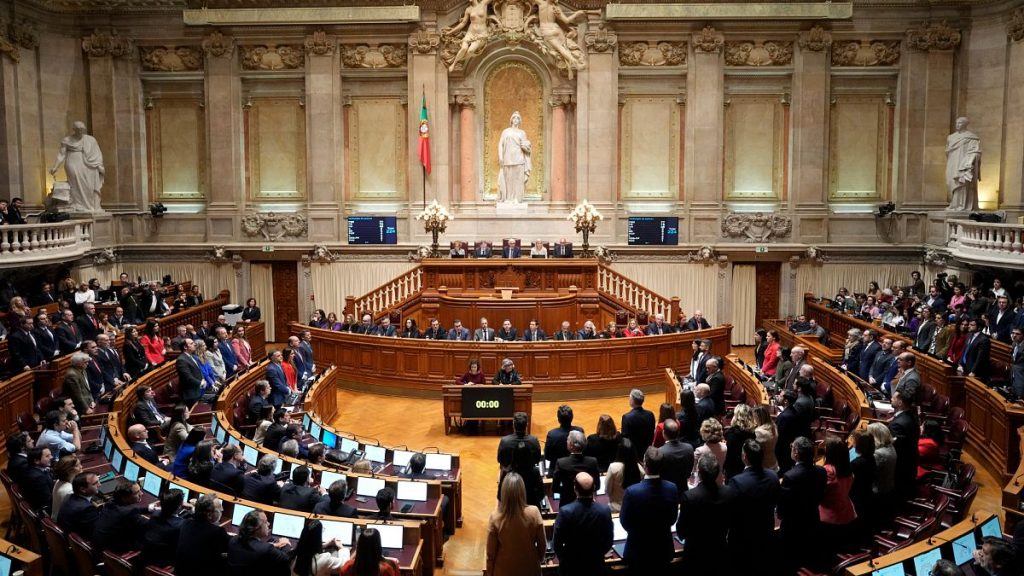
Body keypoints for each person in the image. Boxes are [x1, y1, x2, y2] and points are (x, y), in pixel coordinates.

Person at [619, 447, 679, 574]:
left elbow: (625, 522)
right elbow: (673, 518)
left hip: (638, 550)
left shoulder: (632, 491)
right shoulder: (672, 488)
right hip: (663, 548)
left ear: (644, 464)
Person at [726, 440, 780, 574]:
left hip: (742, 539)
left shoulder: (736, 481)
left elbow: (731, 513)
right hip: (766, 533)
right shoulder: (773, 477)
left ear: (744, 456)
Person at [677, 453, 735, 574]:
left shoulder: (689, 496)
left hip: (695, 554)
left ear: (699, 472)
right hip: (719, 550)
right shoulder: (729, 492)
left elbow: (681, 530)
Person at [778, 437, 826, 573]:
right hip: (813, 521)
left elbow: (783, 509)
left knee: (791, 564)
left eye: (792, 447)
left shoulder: (790, 477)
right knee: (808, 559)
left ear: (796, 453)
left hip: (793, 529)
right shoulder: (821, 471)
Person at [552, 472, 613, 576]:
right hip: (596, 567)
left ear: (575, 489)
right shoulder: (604, 510)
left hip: (571, 567)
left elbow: (556, 544)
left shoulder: (565, 511)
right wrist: (596, 556)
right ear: (594, 488)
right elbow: (608, 541)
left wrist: (566, 559)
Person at [486, 472, 545, 576]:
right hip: (530, 568)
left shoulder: (495, 518)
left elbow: (490, 554)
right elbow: (542, 546)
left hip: (503, 570)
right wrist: (537, 560)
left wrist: (490, 572)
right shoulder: (534, 512)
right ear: (522, 491)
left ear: (503, 493)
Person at [92, 480, 153, 557]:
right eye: (137, 492)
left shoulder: (111, 502)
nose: (141, 493)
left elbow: (133, 509)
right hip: (110, 555)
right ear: (125, 497)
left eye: (140, 490)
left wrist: (149, 509)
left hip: (99, 547)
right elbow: (151, 525)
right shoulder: (128, 514)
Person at [175, 493, 229, 576]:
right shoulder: (218, 532)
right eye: (219, 508)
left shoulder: (185, 523)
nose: (222, 509)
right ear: (209, 514)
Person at [227, 510, 292, 574]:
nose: (268, 524)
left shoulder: (233, 540)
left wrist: (273, 545)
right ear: (257, 528)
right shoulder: (265, 549)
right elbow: (286, 558)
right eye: (266, 522)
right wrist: (286, 544)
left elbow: (255, 547)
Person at [551, 430, 600, 506]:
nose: (566, 442)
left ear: (571, 445)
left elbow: (555, 488)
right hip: (588, 504)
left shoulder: (561, 463)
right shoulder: (592, 462)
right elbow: (597, 486)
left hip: (567, 503)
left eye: (567, 440)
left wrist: (567, 491)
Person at [140, 489, 186, 566]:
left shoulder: (155, 514)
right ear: (180, 505)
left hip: (145, 559)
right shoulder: (180, 525)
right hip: (163, 564)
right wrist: (193, 509)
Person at [945, 116, 982, 211]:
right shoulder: (951, 137)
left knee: (962, 183)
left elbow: (976, 151)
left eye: (960, 123)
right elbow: (947, 151)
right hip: (952, 163)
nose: (957, 125)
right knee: (950, 182)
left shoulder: (971, 137)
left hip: (963, 163)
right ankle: (953, 203)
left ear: (965, 125)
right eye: (956, 123)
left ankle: (961, 205)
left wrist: (969, 163)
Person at [889, 390, 920, 502]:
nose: (891, 399)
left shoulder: (897, 424)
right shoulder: (912, 415)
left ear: (900, 403)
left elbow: (893, 448)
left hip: (901, 467)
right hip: (912, 461)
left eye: (894, 398)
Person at [496, 111, 532, 203]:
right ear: (511, 120)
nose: (516, 120)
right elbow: (500, 144)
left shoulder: (522, 133)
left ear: (520, 121)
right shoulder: (506, 131)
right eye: (514, 118)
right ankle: (508, 198)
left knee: (518, 179)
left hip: (519, 158)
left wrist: (527, 146)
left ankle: (517, 198)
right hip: (508, 158)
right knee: (508, 179)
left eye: (518, 118)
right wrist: (500, 156)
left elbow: (525, 145)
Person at [58, 472, 101, 538]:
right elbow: (96, 533)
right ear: (83, 489)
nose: (100, 485)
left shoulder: (68, 496)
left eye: (98, 481)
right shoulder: (87, 509)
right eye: (95, 483)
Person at [605, 438, 642, 512]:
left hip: (616, 507)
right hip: (635, 507)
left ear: (619, 451)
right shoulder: (640, 468)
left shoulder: (613, 467)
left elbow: (607, 490)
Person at [657, 419, 694, 494]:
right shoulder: (689, 448)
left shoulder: (660, 452)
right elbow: (689, 471)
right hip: (683, 489)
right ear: (678, 433)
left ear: (663, 433)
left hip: (665, 492)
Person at [544, 404, 584, 469]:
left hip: (557, 468)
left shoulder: (552, 434)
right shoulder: (579, 431)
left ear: (558, 419)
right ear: (572, 417)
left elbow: (548, 456)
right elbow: (582, 451)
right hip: (577, 467)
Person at [722, 404, 756, 480]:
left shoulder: (731, 433)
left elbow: (729, 455)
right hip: (747, 467)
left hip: (733, 469)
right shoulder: (752, 432)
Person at [620, 388, 655, 458]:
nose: (629, 399)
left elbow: (625, 438)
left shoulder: (627, 417)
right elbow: (652, 432)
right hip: (647, 451)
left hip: (633, 453)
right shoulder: (650, 414)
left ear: (633, 400)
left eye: (629, 397)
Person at [693, 418, 727, 485]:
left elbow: (694, 470)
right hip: (719, 483)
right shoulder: (725, 447)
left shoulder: (699, 451)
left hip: (703, 485)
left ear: (703, 432)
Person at [20, 447, 55, 511]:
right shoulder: (38, 478)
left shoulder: (32, 469)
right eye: (47, 456)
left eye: (50, 454)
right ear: (36, 461)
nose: (51, 457)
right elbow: (48, 500)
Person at [51, 454, 82, 520]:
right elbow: (80, 508)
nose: (81, 467)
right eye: (77, 465)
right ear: (69, 470)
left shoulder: (59, 481)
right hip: (63, 524)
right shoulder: (69, 490)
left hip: (58, 518)